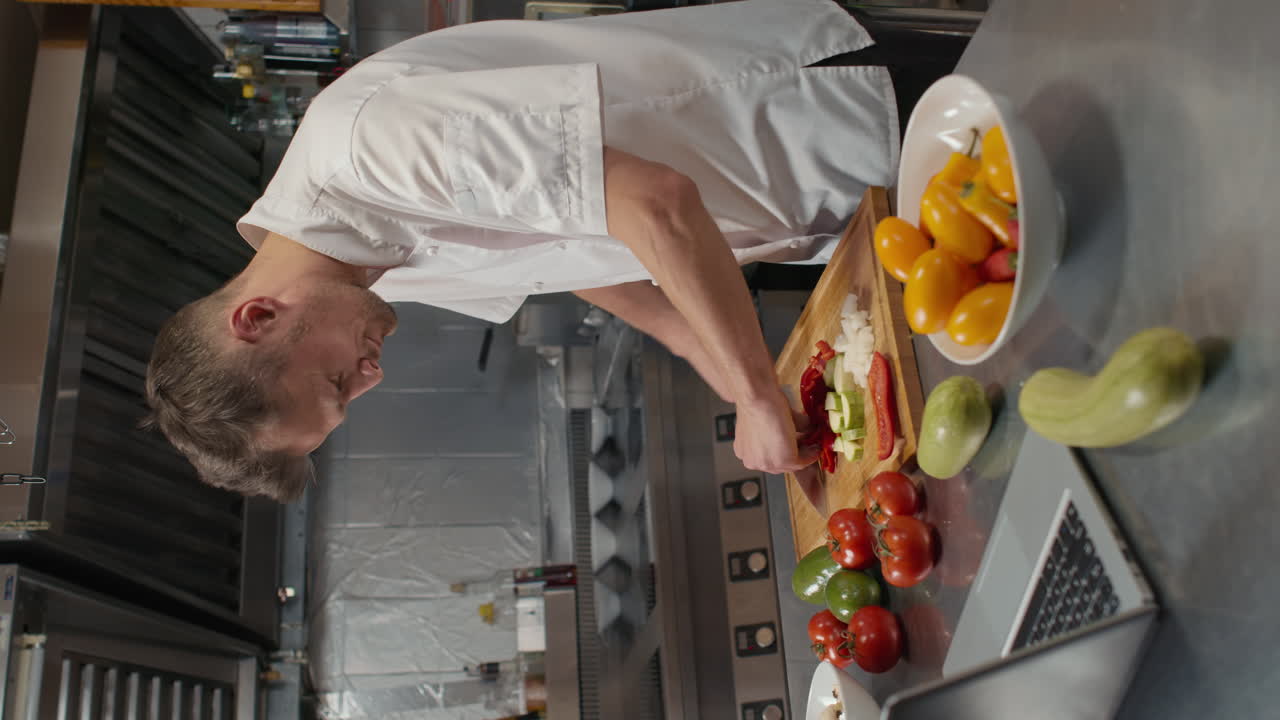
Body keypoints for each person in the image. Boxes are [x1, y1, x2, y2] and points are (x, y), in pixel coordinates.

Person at [143, 0, 965, 501]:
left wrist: (754, 395)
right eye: (348, 401)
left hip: (843, 108)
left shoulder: (371, 151)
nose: (371, 379)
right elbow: (573, 260)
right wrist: (709, 356)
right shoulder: (357, 271)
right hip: (828, 206)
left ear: (256, 315)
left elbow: (655, 204)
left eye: (334, 383)